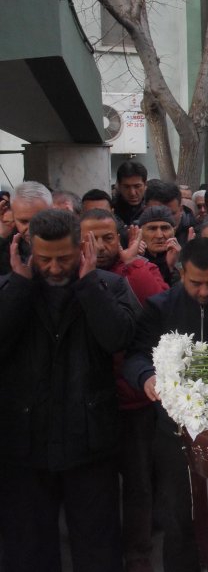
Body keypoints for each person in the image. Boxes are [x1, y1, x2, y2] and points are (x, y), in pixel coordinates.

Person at [0, 209, 140, 572]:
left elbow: (119, 338)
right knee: (28, 549)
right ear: (29, 251)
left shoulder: (109, 286)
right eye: (45, 259)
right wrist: (18, 286)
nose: (55, 268)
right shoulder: (12, 288)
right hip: (25, 445)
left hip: (90, 442)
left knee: (98, 547)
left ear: (82, 248)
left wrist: (90, 283)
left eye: (64, 258)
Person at [125, 238, 208, 572]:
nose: (203, 292)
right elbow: (136, 355)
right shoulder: (159, 306)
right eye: (195, 283)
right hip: (173, 432)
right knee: (180, 518)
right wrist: (145, 377)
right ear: (181, 273)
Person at [80, 209, 167, 572]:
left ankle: (139, 555)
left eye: (108, 239)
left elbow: (158, 332)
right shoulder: (70, 279)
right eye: (91, 239)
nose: (100, 247)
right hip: (89, 403)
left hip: (133, 401)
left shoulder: (140, 275)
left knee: (137, 485)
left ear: (123, 239)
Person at [0, 180, 52, 274]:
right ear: (13, 217)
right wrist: (2, 237)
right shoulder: (8, 242)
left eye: (39, 220)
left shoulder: (68, 241)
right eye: (24, 221)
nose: (31, 228)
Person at [137, 205, 181, 285]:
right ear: (141, 233)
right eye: (152, 229)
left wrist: (176, 266)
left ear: (174, 231)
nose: (159, 235)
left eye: (165, 228)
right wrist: (137, 261)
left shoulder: (185, 260)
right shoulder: (132, 259)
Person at [114, 161, 148, 226]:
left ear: (145, 185)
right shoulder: (111, 210)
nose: (132, 193)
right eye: (126, 187)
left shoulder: (153, 209)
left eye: (137, 186)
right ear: (119, 186)